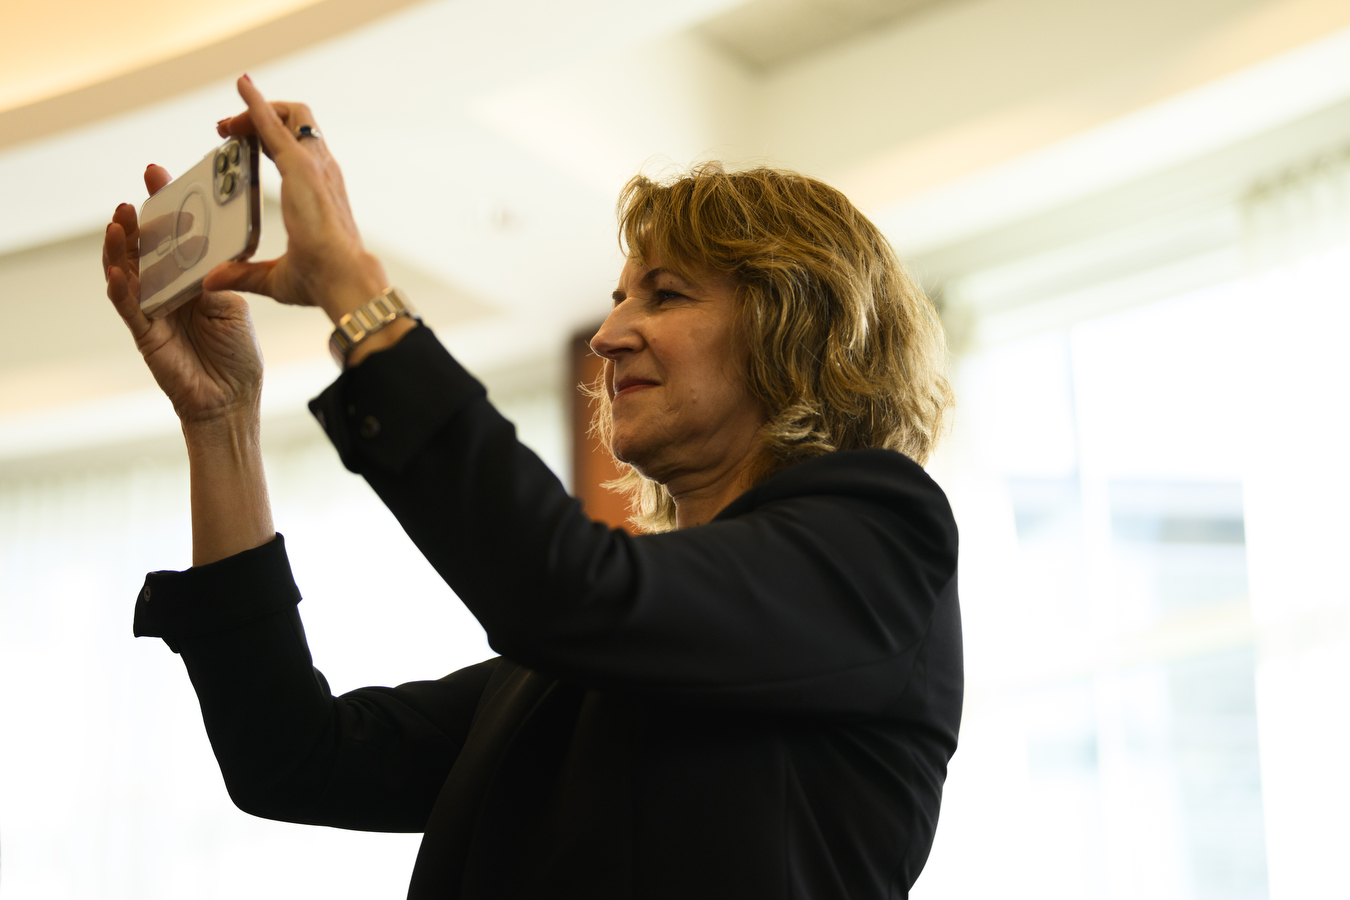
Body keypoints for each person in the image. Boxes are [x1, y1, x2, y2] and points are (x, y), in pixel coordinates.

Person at [102, 75, 963, 899]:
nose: (610, 334)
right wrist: (222, 421)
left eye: (663, 295)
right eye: (619, 297)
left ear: (795, 326)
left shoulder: (884, 539)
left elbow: (568, 593)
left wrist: (355, 289)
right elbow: (295, 757)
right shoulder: (573, 669)